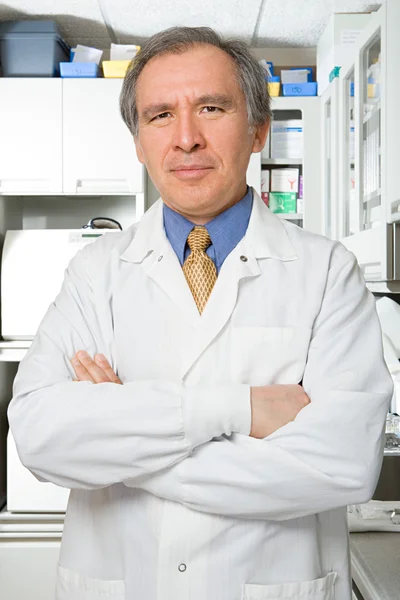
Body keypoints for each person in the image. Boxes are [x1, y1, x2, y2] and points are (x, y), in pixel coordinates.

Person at [8, 26, 392, 600]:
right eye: (160, 115)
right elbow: (39, 434)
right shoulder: (97, 271)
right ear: (138, 142)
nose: (185, 138)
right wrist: (239, 408)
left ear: (258, 128)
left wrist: (117, 440)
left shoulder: (326, 272)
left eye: (211, 108)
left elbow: (341, 465)